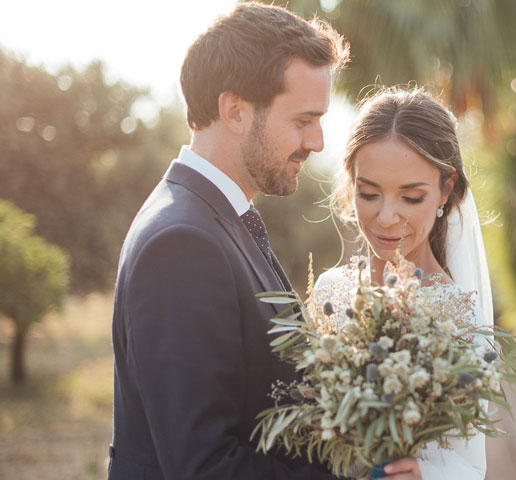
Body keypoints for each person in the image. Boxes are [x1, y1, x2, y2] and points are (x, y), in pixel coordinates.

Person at [108, 4, 349, 479]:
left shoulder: (215, 219)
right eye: (303, 120)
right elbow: (205, 467)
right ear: (235, 111)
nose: (318, 141)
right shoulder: (181, 243)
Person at [315, 88, 492, 479]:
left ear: (446, 189)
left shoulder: (460, 317)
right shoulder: (330, 293)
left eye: (411, 197)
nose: (387, 217)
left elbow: (473, 464)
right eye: (369, 193)